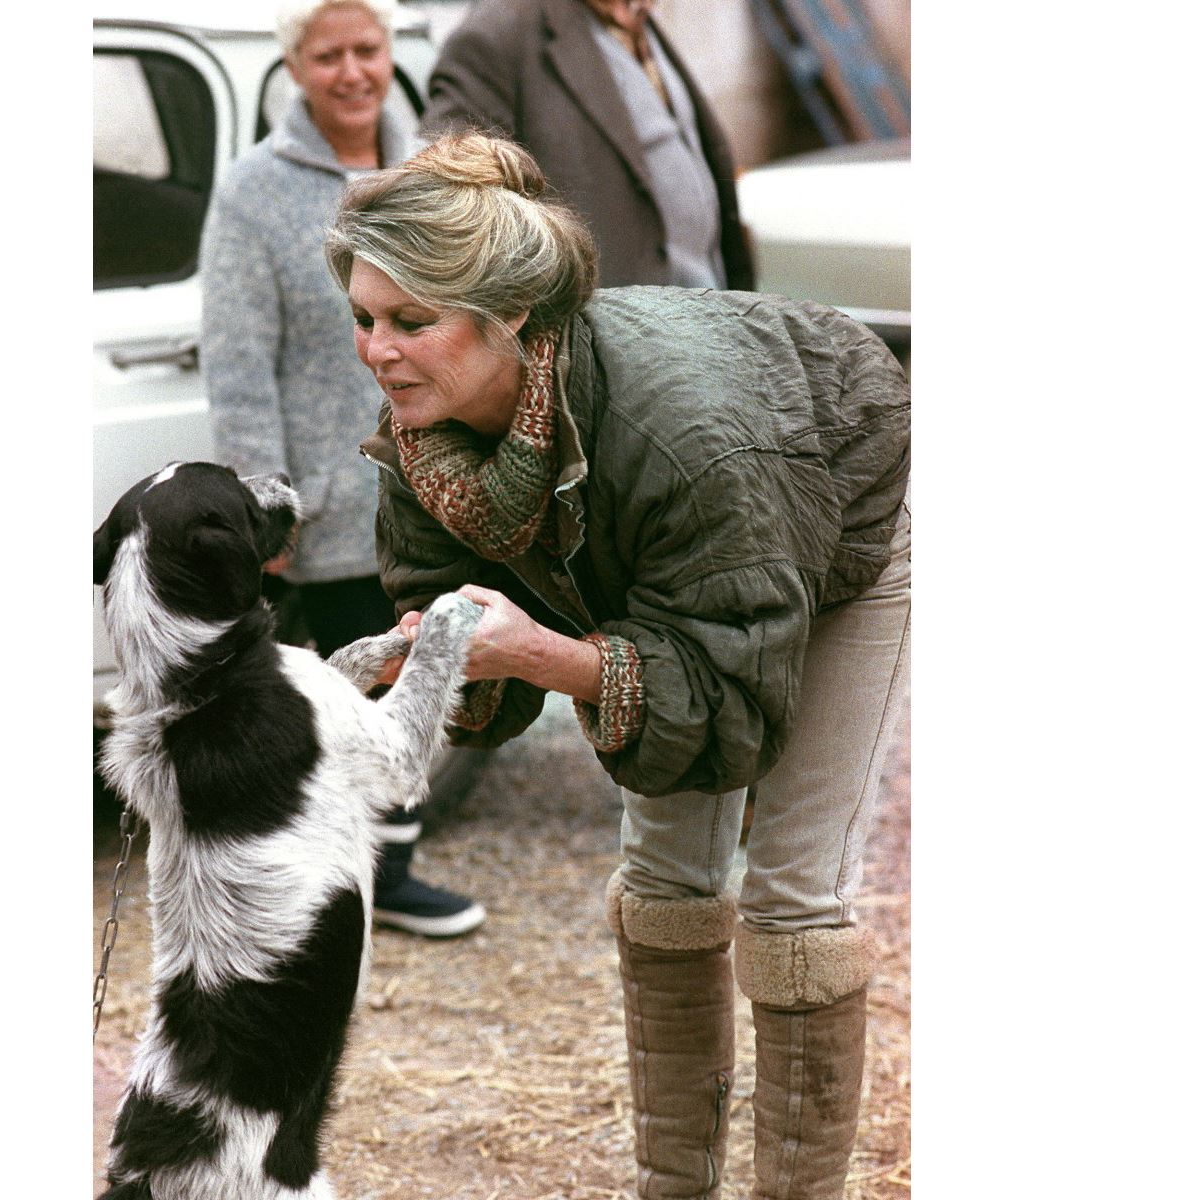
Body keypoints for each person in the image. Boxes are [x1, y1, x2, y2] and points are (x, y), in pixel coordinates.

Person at [326, 134, 910, 1199]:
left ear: (510, 320)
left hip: (834, 537)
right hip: (685, 565)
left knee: (787, 901)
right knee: (664, 884)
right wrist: (431, 658)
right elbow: (456, 627)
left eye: (411, 322)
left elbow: (728, 702)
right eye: (365, 318)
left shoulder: (687, 436)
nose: (377, 350)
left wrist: (542, 652)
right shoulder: (427, 431)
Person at [200, 0, 485, 938]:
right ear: (296, 67)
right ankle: (359, 876)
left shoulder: (431, 176)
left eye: (368, 50)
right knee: (350, 692)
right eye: (330, 55)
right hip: (330, 503)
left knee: (434, 665)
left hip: (438, 483)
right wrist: (262, 505)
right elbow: (237, 357)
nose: (354, 71)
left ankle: (384, 868)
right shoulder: (254, 190)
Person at [421, 0, 754, 292]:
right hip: (607, 336)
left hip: (706, 314)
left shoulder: (635, 17)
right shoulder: (499, 28)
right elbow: (452, 185)